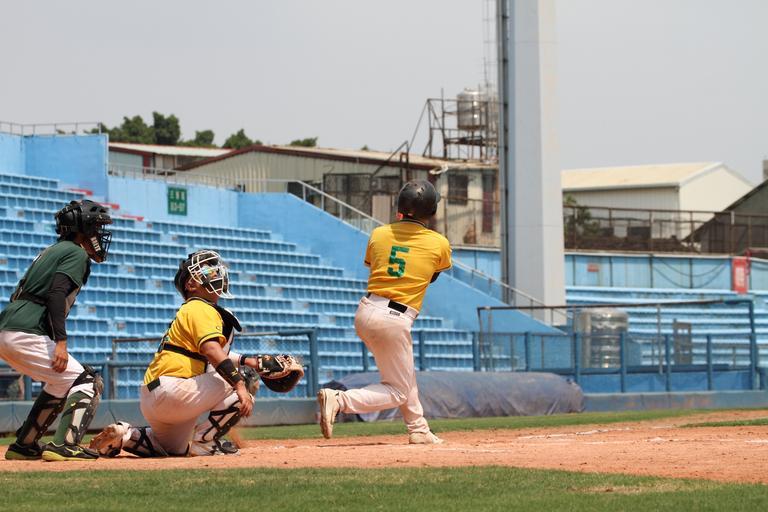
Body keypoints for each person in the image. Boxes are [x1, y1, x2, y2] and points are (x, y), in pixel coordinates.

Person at [89, 250, 298, 457]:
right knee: (240, 379)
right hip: (173, 390)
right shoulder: (200, 307)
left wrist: (249, 360)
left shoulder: (191, 310)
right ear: (190, 285)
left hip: (154, 397)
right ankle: (206, 441)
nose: (214, 273)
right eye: (206, 272)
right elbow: (212, 351)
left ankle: (124, 436)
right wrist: (240, 385)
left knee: (173, 449)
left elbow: (213, 353)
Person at [317, 179, 451, 444]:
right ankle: (340, 400)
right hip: (395, 318)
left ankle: (418, 429)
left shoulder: (379, 233)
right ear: (431, 210)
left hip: (367, 310)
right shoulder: (439, 243)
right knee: (398, 390)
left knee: (404, 374)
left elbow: (378, 264)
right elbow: (432, 276)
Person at [0, 199, 112, 461]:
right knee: (87, 380)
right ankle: (65, 444)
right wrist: (61, 342)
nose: (99, 234)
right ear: (84, 229)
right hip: (25, 331)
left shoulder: (53, 250)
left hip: (10, 328)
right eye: (96, 227)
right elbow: (56, 293)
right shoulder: (76, 253)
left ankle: (24, 445)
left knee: (60, 381)